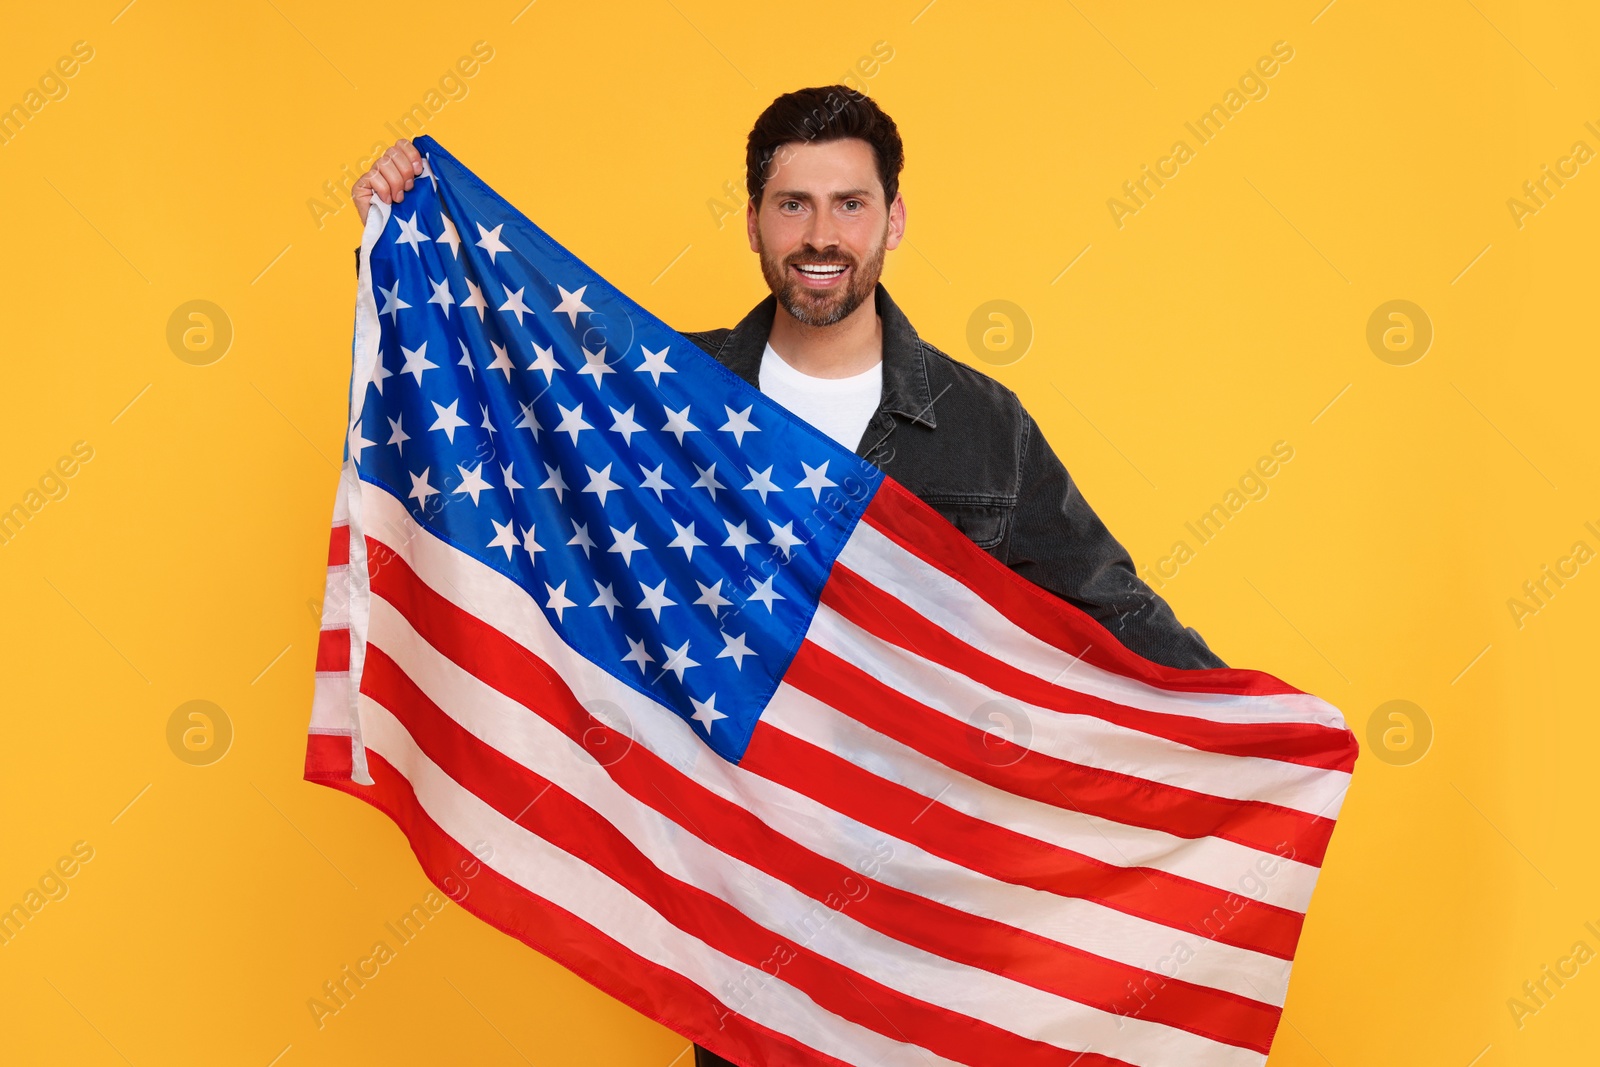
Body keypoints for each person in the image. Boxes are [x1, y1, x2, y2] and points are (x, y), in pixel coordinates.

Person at [353, 85, 1226, 1067]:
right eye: (793, 204)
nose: (821, 235)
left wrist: (1253, 735)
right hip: (744, 912)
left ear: (892, 218)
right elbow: (505, 408)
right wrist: (405, 238)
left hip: (928, 914)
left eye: (849, 203)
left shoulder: (983, 424)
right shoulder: (661, 392)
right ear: (755, 223)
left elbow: (1109, 611)